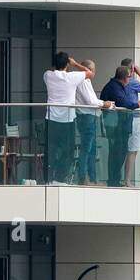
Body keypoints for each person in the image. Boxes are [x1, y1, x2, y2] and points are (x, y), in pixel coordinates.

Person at [44, 52, 94, 183]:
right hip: (67, 120)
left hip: (51, 119)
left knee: (51, 151)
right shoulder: (72, 77)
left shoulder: (48, 75)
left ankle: (48, 178)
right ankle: (59, 179)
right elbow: (90, 73)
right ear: (67, 64)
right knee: (68, 152)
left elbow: (51, 71)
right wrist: (75, 63)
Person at [74, 58, 113, 184]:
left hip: (90, 117)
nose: (94, 72)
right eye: (93, 69)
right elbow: (90, 101)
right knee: (87, 149)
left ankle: (92, 178)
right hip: (86, 117)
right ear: (89, 70)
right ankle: (84, 177)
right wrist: (104, 103)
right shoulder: (83, 81)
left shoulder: (86, 81)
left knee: (91, 149)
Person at [100, 65, 140, 186]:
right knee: (117, 153)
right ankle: (113, 180)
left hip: (120, 126)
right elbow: (123, 102)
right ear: (124, 78)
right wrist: (137, 104)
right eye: (129, 77)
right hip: (116, 126)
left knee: (119, 152)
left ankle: (114, 179)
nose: (130, 79)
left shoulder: (117, 86)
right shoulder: (114, 87)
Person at [119, 59, 140, 187]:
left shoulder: (117, 82)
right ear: (132, 69)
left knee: (124, 149)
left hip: (121, 118)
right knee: (133, 150)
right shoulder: (132, 82)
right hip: (133, 118)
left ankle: (121, 178)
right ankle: (127, 180)